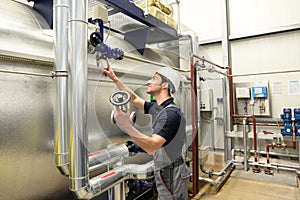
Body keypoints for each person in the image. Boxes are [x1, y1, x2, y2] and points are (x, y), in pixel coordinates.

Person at [103, 63, 192, 200]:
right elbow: (133, 98)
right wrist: (114, 78)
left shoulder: (170, 114)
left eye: (154, 79)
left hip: (173, 173)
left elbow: (152, 146)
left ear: (165, 85)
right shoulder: (157, 108)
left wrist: (125, 125)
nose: (148, 82)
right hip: (165, 169)